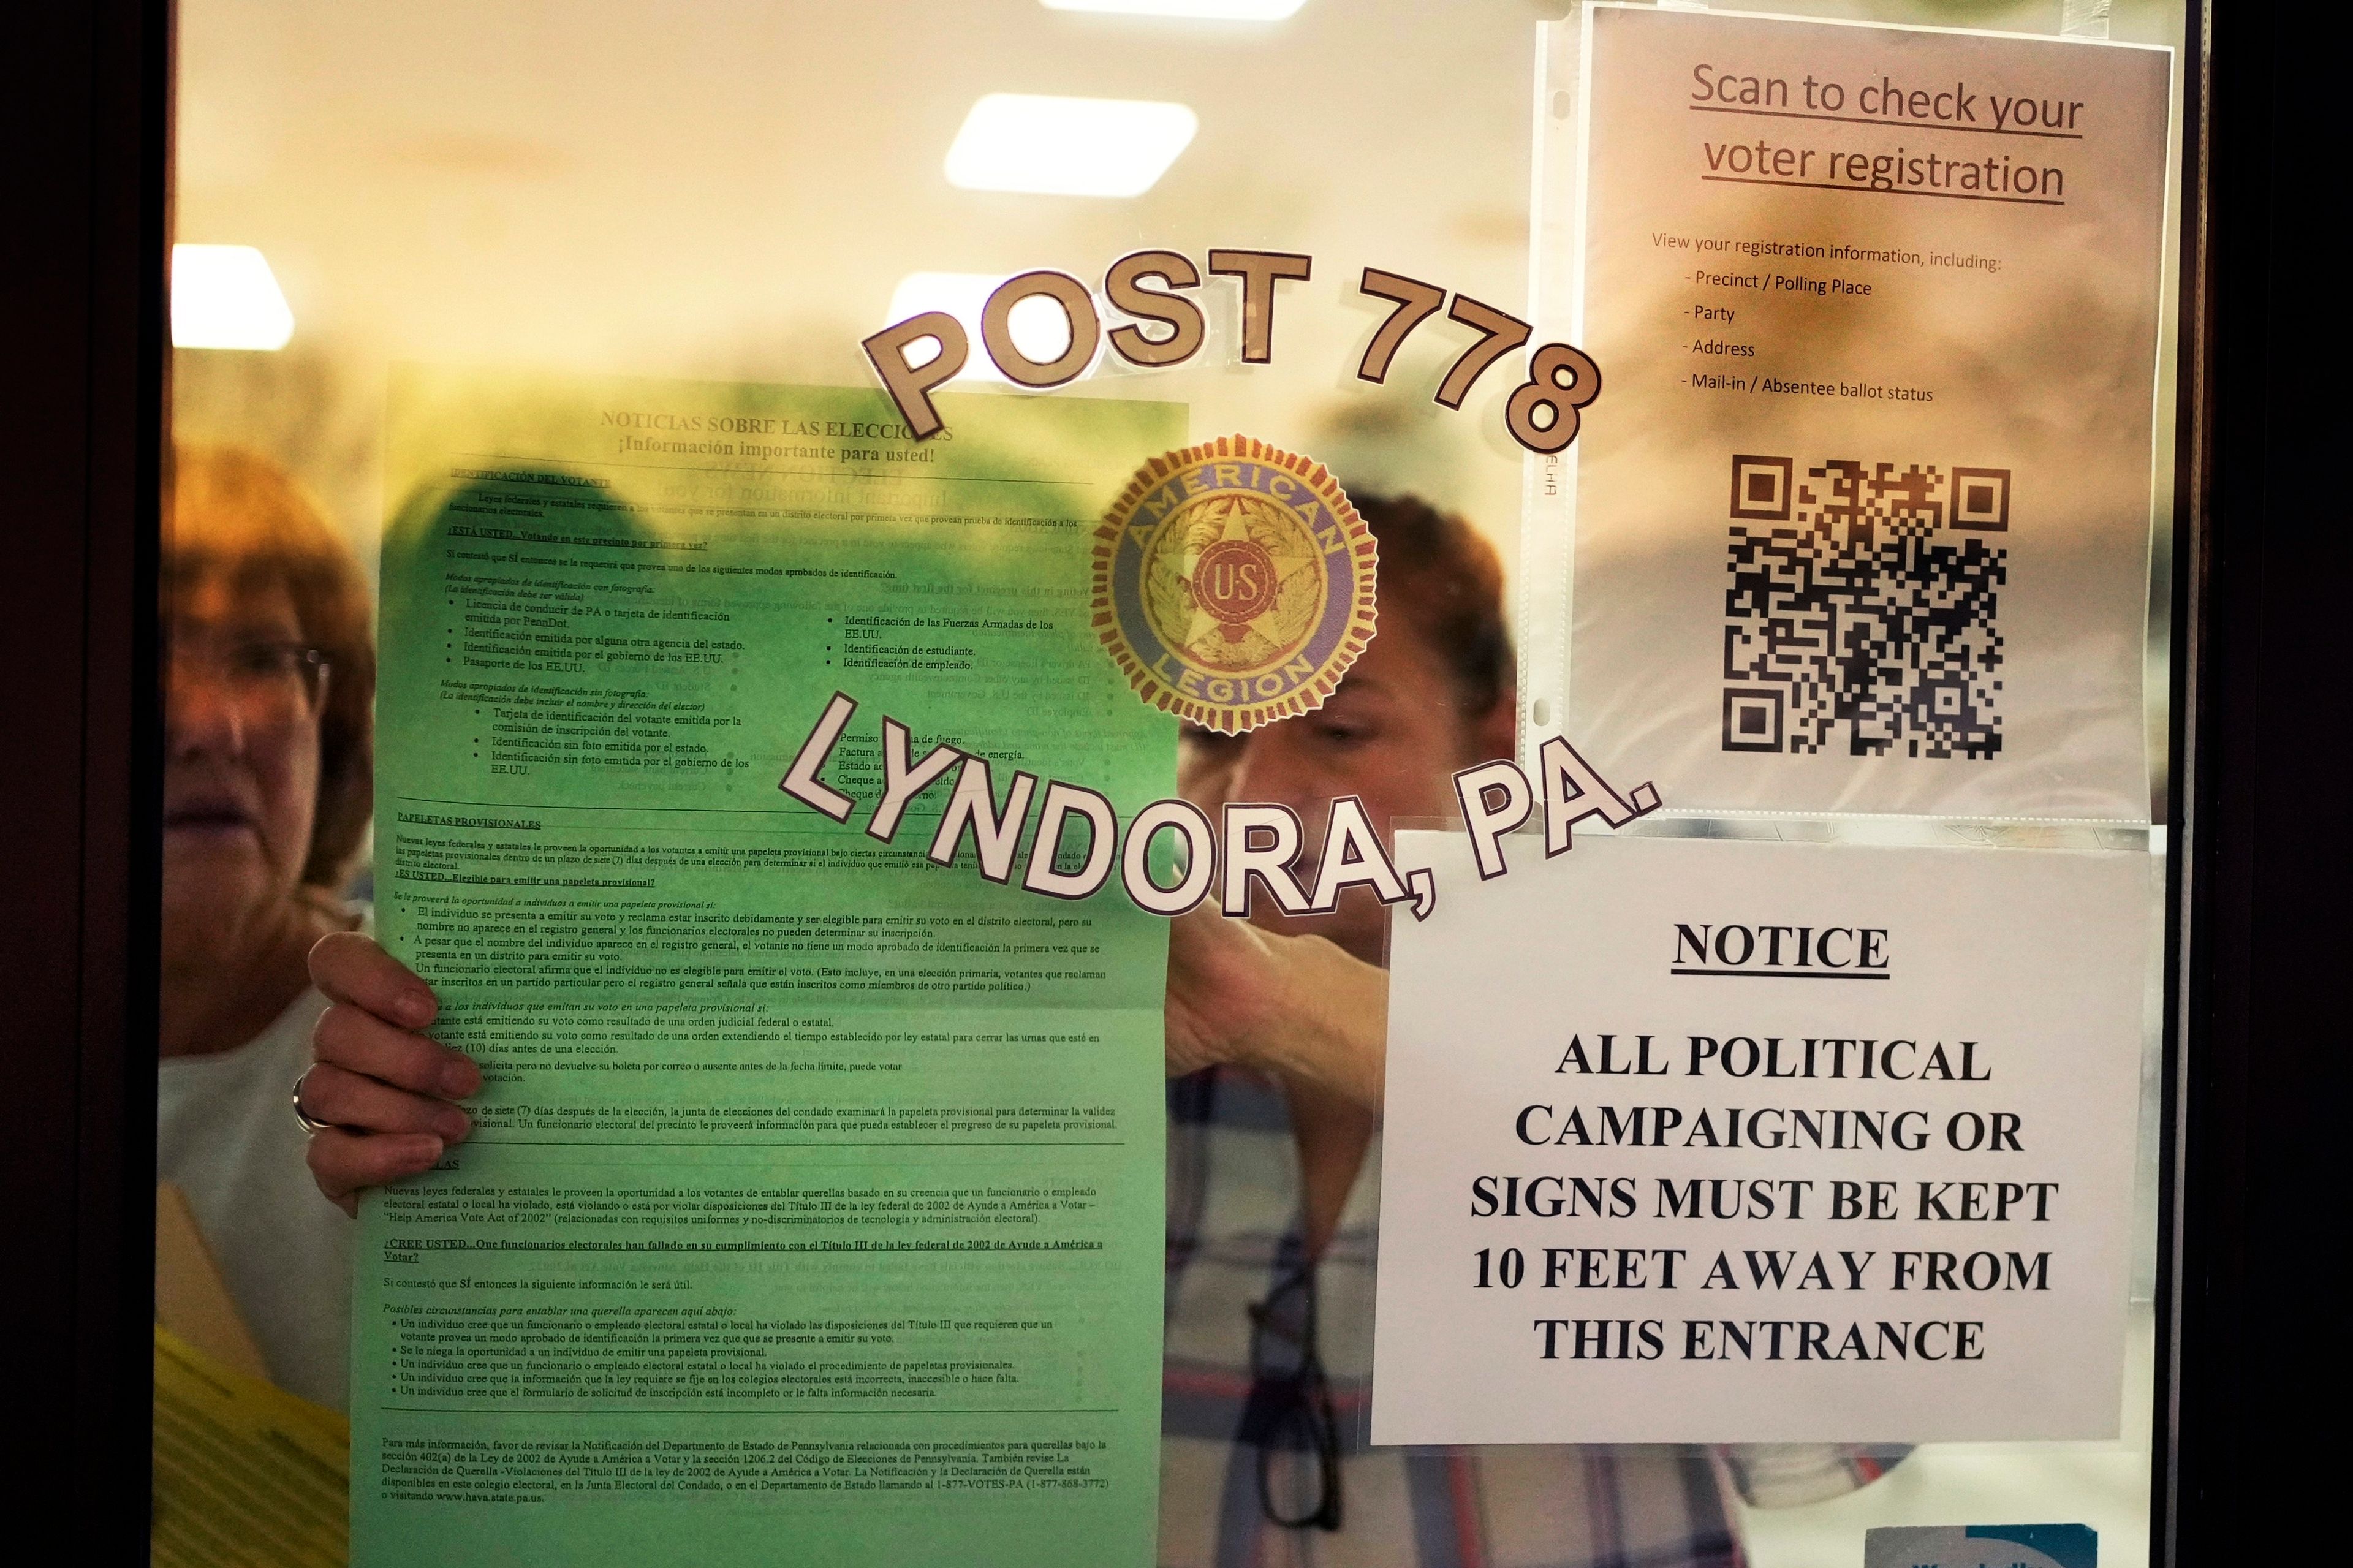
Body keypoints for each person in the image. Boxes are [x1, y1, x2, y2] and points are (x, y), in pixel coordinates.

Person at [300, 493, 1889, 1560]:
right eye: (1209, 735)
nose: (1262, 798)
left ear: (1498, 745)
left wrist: (1337, 1026)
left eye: (1343, 732)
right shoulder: (1071, 975)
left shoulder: (1668, 960)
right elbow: (754, 1339)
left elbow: (1858, 1410)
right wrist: (489, 1145)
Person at [157, 444, 386, 1410]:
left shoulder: (423, 1027)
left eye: (259, 661)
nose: (211, 726)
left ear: (326, 725)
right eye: (143, 651)